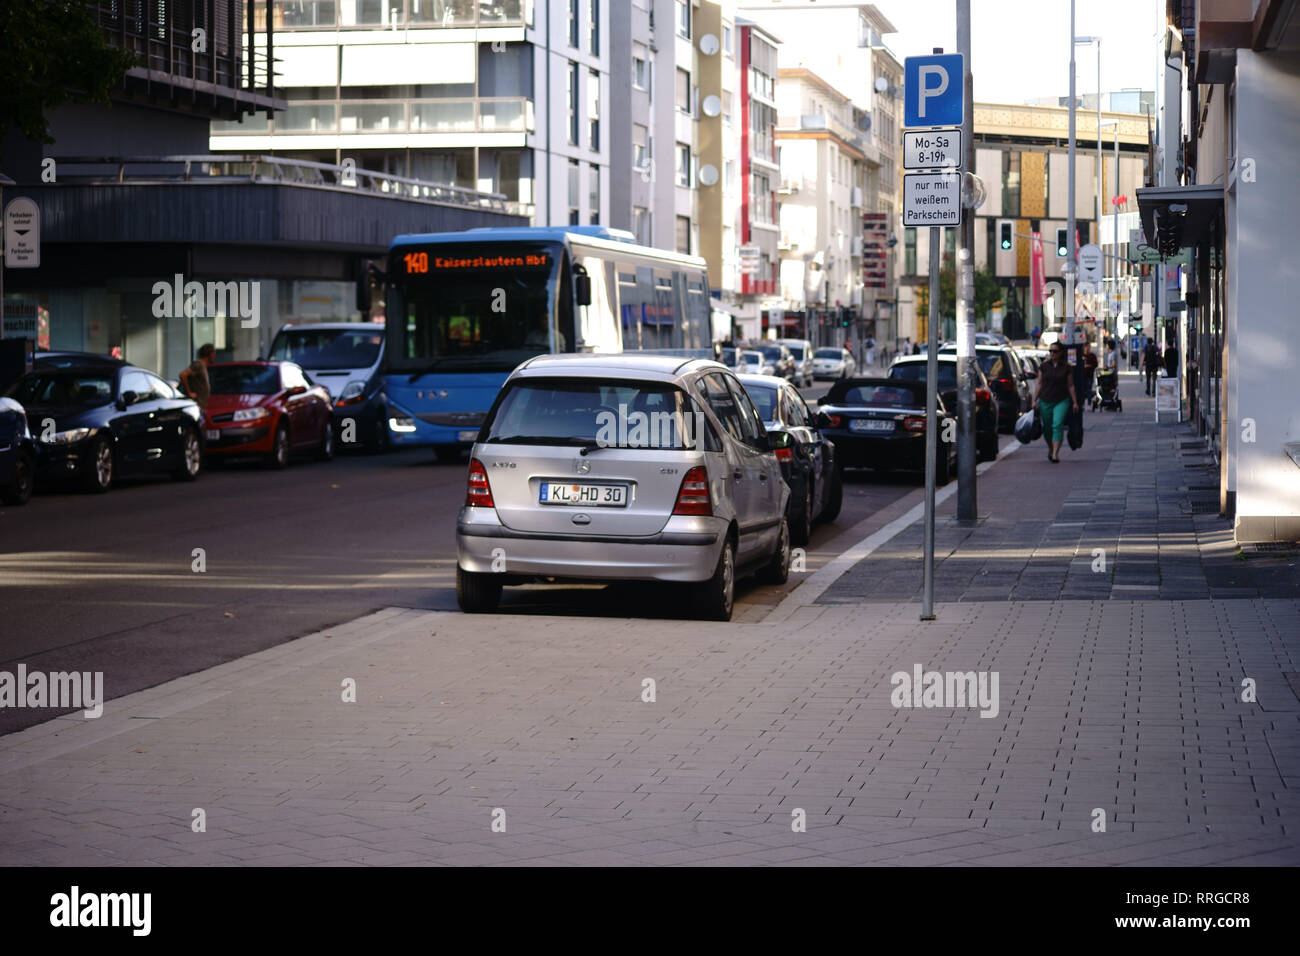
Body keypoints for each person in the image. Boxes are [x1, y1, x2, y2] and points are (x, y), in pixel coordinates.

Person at [1034, 342, 1080, 463]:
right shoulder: (1044, 366)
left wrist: (1075, 402)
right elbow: (1039, 384)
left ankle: (1055, 454)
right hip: (1045, 400)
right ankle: (1051, 448)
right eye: (1050, 351)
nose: (1052, 354)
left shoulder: (1066, 367)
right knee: (1047, 428)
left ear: (1060, 353)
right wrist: (1034, 400)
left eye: (1055, 351)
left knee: (1057, 425)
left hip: (1061, 400)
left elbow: (1071, 386)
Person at [179, 343, 215, 414]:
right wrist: (189, 393)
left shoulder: (203, 366)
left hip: (201, 405)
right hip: (197, 405)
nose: (214, 356)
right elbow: (183, 375)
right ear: (210, 354)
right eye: (214, 354)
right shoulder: (199, 364)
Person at [1080, 340, 1099, 409]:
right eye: (1086, 347)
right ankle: (1082, 404)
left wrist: (1089, 366)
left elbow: (1095, 364)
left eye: (1089, 347)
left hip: (1089, 375)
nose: (1088, 348)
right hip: (1082, 375)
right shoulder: (1081, 355)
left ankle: (1089, 403)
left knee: (1089, 389)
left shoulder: (1092, 355)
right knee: (1082, 390)